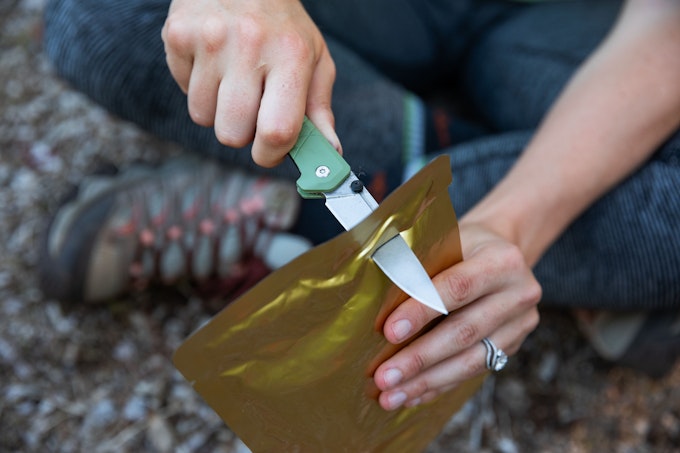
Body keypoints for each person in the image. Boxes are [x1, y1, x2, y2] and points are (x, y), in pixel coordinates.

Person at [41, 0, 680, 412]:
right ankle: (586, 221)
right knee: (101, 15)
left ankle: (300, 217)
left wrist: (513, 222)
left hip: (593, 28)